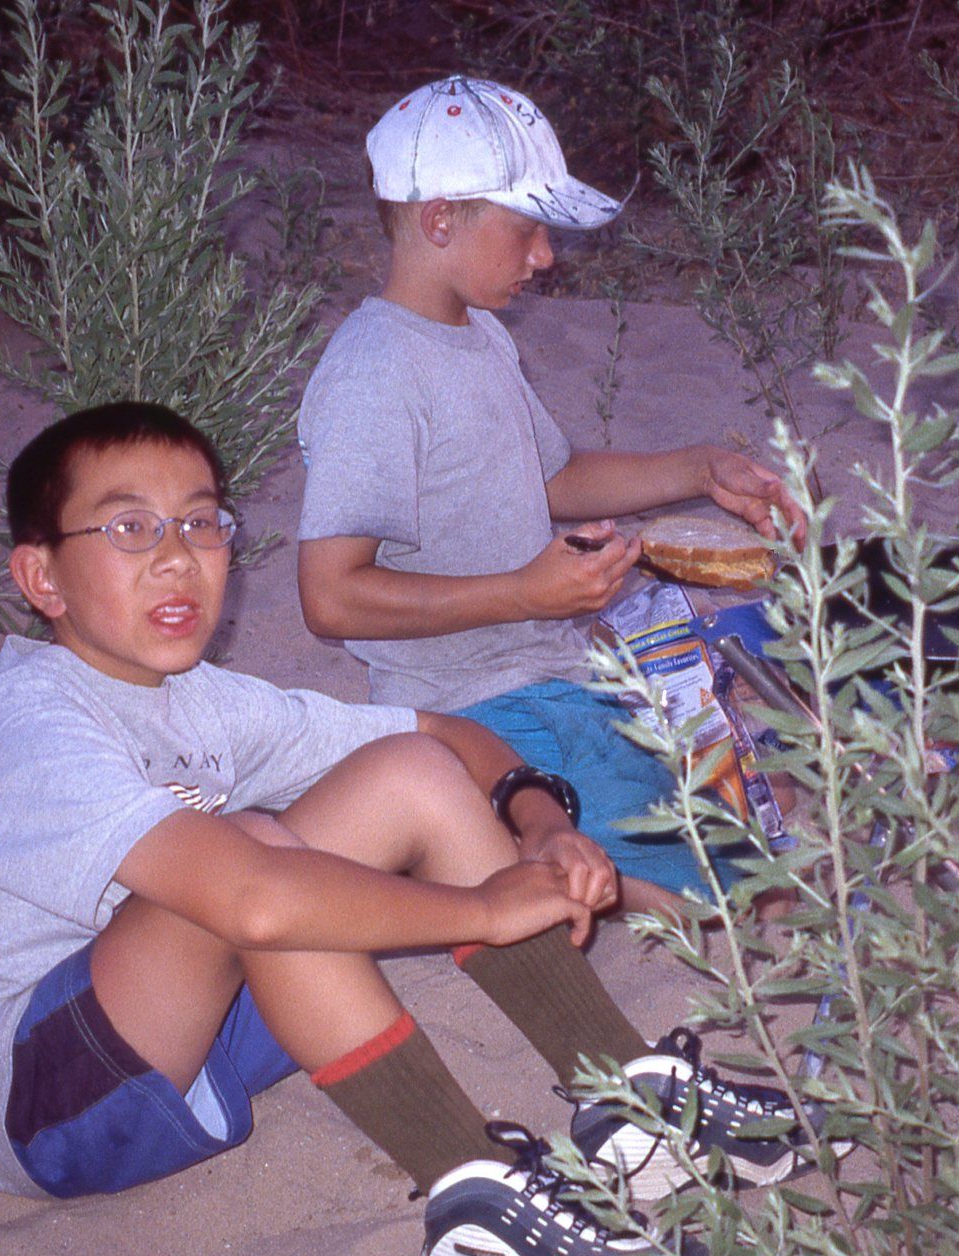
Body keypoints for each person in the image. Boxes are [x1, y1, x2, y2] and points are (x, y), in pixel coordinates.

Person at [0, 402, 824, 1256]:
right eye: (130, 528)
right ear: (41, 577)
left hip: (187, 1030)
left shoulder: (197, 699)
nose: (177, 558)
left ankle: (625, 1102)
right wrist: (482, 909)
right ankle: (479, 1202)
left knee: (407, 774)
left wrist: (538, 820)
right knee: (255, 855)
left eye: (202, 523)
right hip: (33, 1104)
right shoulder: (23, 722)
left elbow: (440, 736)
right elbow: (253, 898)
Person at [295, 76, 805, 912]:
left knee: (747, 788)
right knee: (720, 887)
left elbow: (552, 478)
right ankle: (498, 849)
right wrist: (523, 593)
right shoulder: (373, 373)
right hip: (470, 706)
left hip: (556, 669)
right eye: (528, 229)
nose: (545, 256)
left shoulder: (479, 335)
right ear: (439, 220)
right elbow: (330, 597)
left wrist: (696, 469)